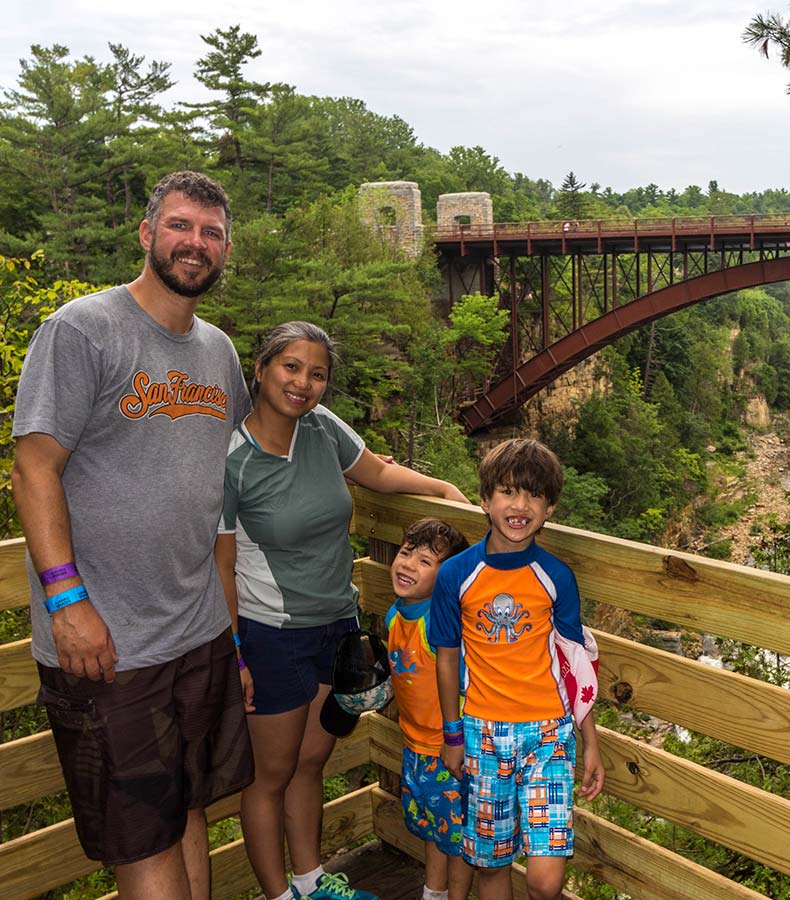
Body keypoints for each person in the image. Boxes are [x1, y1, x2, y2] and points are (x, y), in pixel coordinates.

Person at [11, 171, 254, 900]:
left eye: (211, 233)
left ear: (225, 250)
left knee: (189, 813)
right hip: (110, 644)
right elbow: (33, 466)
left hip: (198, 631)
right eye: (180, 226)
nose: (195, 243)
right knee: (139, 837)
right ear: (146, 234)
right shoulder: (82, 329)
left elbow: (247, 465)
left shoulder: (219, 352)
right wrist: (67, 602)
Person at [216, 321, 470, 900]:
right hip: (271, 634)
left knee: (311, 761)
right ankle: (281, 895)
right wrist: (235, 653)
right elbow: (221, 565)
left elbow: (377, 473)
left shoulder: (322, 429)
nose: (303, 383)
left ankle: (311, 883)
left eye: (317, 372)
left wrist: (443, 489)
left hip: (337, 627)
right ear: (260, 369)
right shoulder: (232, 459)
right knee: (268, 776)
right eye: (291, 367)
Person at [431, 438, 605, 900]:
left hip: (549, 734)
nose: (520, 505)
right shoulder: (456, 575)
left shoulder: (556, 577)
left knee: (545, 882)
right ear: (485, 500)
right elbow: (446, 657)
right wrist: (452, 736)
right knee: (492, 867)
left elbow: (574, 665)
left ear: (549, 508)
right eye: (508, 492)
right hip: (482, 734)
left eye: (533, 496)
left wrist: (591, 743)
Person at [384, 518, 474, 900]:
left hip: (450, 752)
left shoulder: (441, 623)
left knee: (460, 840)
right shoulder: (394, 616)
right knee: (433, 831)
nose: (407, 565)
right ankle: (432, 893)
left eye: (425, 562)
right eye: (406, 553)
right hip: (415, 747)